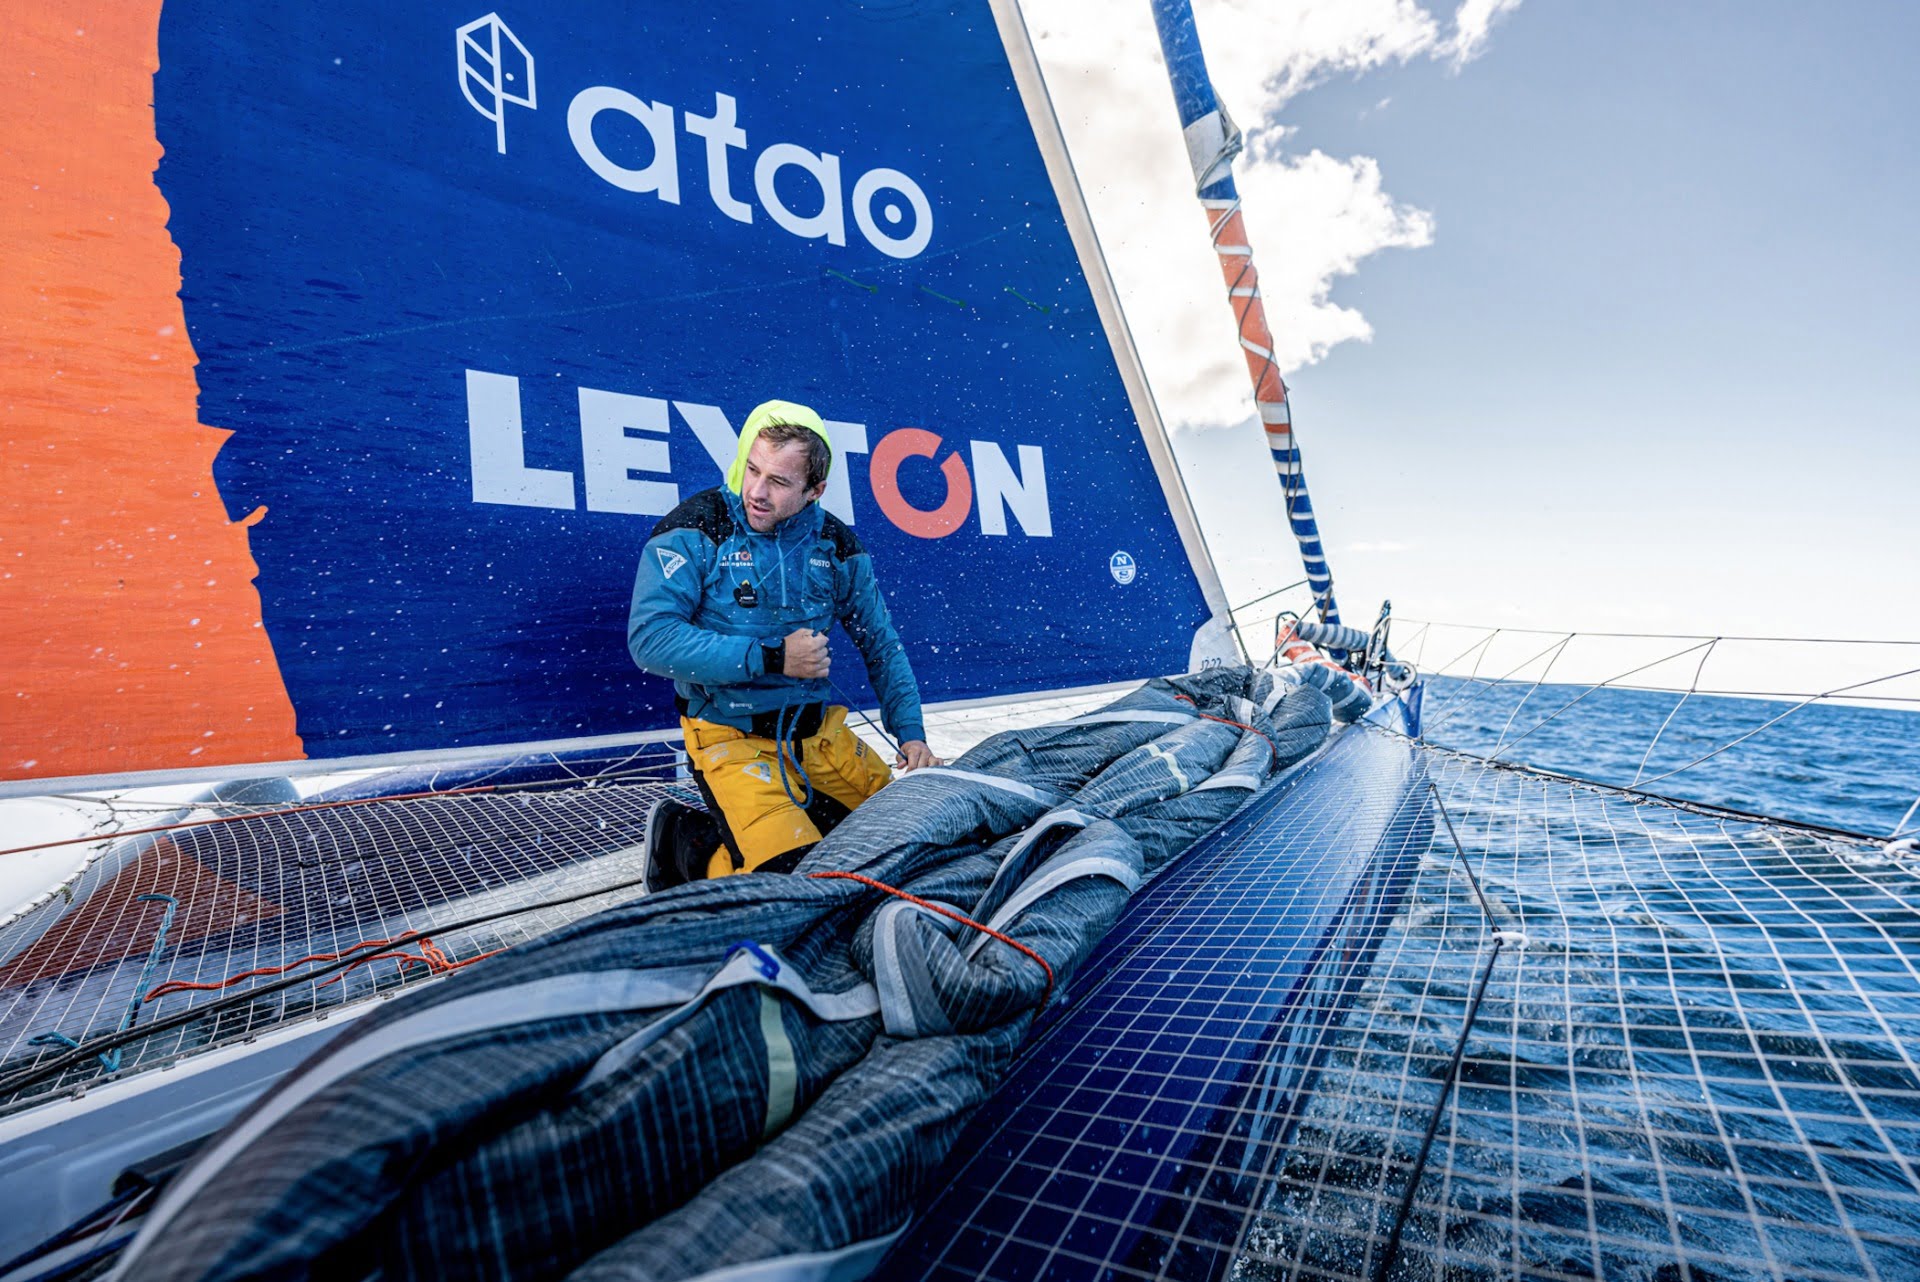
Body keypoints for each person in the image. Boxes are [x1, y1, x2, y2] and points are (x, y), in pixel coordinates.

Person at [628, 399, 939, 887]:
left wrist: (911, 732)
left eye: (778, 482)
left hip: (817, 735)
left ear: (815, 490)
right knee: (793, 881)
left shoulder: (837, 547)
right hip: (730, 736)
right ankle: (686, 843)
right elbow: (650, 640)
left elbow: (881, 644)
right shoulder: (695, 528)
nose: (756, 491)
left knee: (913, 840)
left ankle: (790, 824)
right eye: (752, 469)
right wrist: (771, 656)